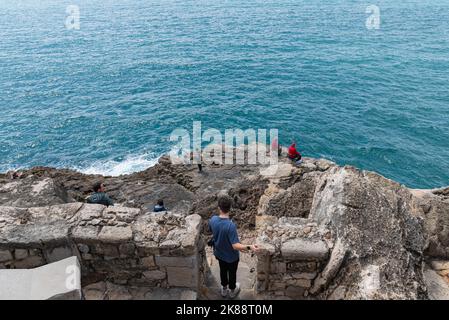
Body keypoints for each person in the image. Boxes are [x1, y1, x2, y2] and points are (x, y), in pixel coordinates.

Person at [208, 195, 259, 299]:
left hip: (219, 253)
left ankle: (224, 289)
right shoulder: (230, 226)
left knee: (222, 270)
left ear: (219, 207)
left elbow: (212, 231)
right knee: (232, 273)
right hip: (231, 257)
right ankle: (232, 290)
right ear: (230, 208)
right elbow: (235, 246)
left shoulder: (213, 220)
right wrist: (250, 247)